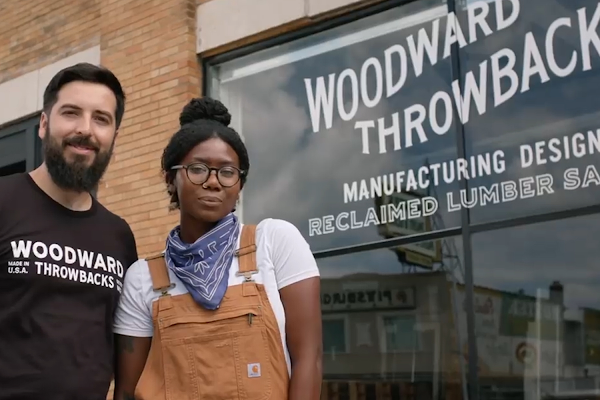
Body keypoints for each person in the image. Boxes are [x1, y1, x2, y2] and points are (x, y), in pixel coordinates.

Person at [113, 96, 323, 400]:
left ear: (239, 186)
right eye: (198, 169)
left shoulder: (274, 243)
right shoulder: (143, 278)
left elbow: (309, 360)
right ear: (171, 178)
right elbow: (126, 391)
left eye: (227, 172)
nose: (213, 182)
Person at [0, 63, 138, 400]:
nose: (85, 130)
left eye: (101, 119)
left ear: (114, 138)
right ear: (44, 124)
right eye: (71, 113)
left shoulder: (118, 235)